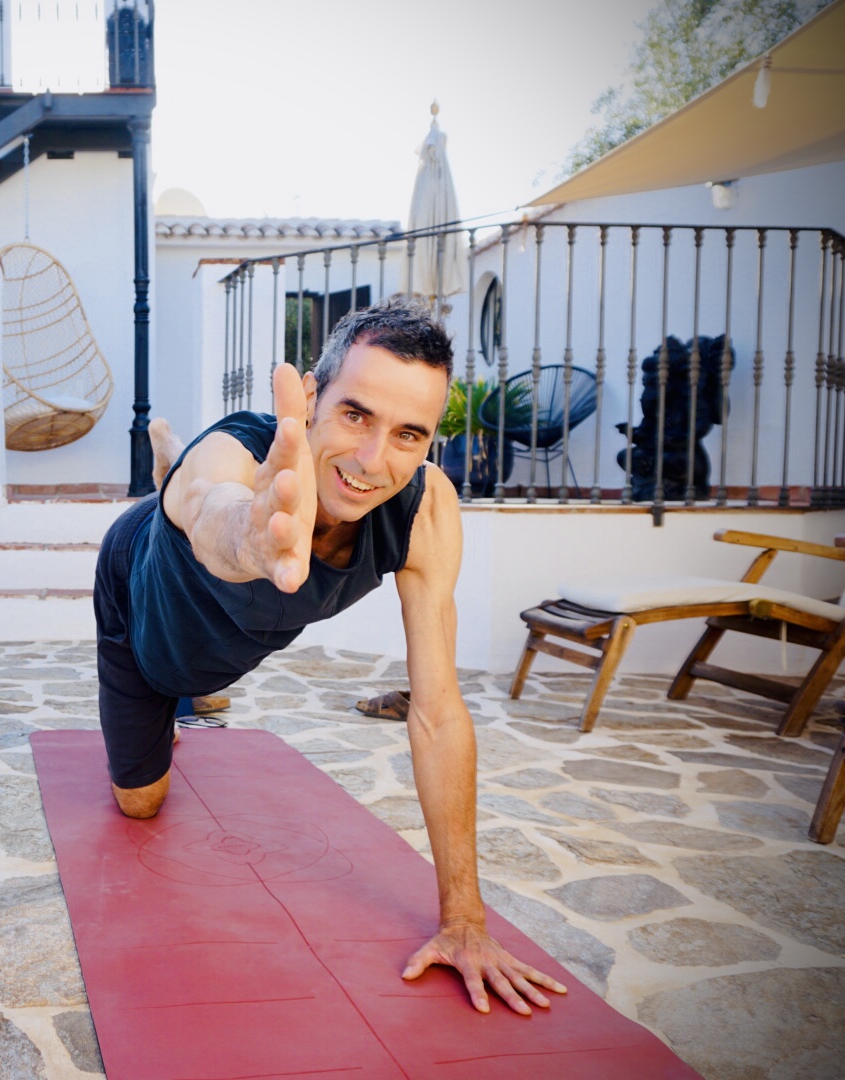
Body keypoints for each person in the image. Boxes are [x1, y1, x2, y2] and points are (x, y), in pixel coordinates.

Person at [93, 297, 566, 1017]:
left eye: (409, 434)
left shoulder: (423, 509)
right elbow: (212, 496)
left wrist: (466, 921)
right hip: (139, 597)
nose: (374, 461)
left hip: (224, 641)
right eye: (355, 415)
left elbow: (437, 712)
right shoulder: (248, 457)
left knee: (205, 665)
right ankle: (164, 469)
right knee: (141, 804)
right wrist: (247, 539)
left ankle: (165, 474)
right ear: (311, 397)